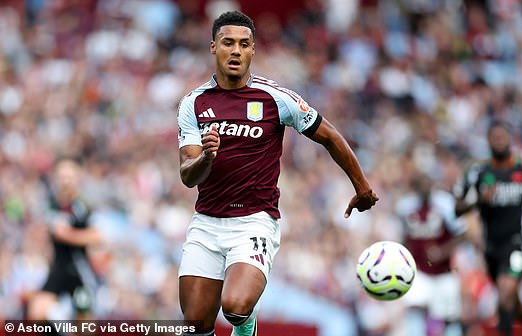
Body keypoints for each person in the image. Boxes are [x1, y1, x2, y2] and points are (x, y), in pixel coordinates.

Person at [176, 10, 379, 336]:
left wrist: (362, 187)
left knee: (235, 307)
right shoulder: (193, 104)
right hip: (207, 223)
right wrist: (207, 157)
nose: (236, 51)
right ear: (213, 47)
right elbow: (188, 175)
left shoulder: (276, 98)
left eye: (244, 44)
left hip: (254, 220)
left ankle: (248, 325)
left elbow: (328, 135)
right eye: (228, 43)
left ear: (254, 50)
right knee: (195, 323)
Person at [452, 121, 522, 335]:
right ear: (488, 141)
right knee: (511, 303)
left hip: (519, 242)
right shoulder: (477, 171)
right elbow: (458, 208)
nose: (499, 141)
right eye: (494, 138)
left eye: (503, 137)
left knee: (506, 291)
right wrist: (479, 199)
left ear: (510, 140)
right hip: (492, 248)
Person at [27, 158, 103, 321]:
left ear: (78, 178)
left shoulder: (83, 207)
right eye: (62, 176)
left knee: (84, 324)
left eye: (69, 176)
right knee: (36, 312)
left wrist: (67, 235)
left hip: (78, 271)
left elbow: (97, 236)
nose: (65, 181)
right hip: (58, 270)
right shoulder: (51, 205)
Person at [396, 172, 466, 336]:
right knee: (414, 309)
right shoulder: (406, 207)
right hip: (419, 271)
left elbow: (462, 234)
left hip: (443, 273)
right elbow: (404, 237)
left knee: (449, 317)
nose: (425, 188)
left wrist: (442, 251)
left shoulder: (445, 203)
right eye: (421, 184)